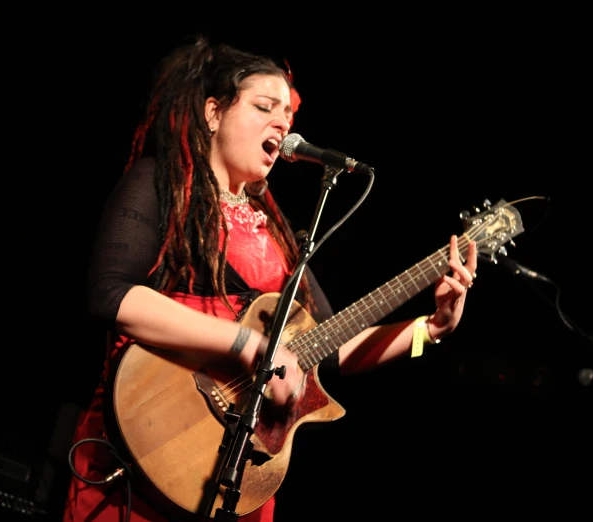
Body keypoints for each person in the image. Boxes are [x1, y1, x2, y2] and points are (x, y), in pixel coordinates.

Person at [62, 34, 478, 522]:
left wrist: (431, 330)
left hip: (236, 469)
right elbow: (110, 295)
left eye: (289, 115)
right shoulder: (162, 185)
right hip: (148, 437)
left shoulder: (275, 228)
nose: (282, 122)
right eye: (264, 107)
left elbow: (336, 350)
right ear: (213, 114)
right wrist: (249, 344)